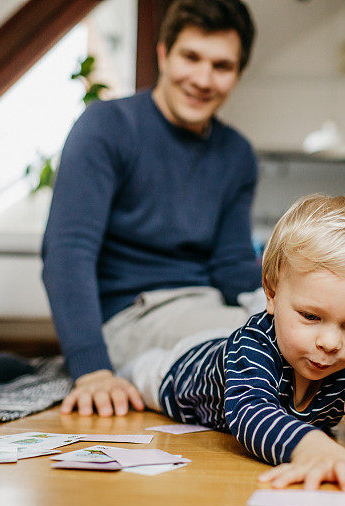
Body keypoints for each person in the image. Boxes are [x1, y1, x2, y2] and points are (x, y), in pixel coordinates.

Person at [116, 194, 345, 490]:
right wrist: (309, 446)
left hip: (227, 347)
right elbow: (251, 412)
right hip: (181, 370)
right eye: (310, 316)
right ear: (271, 295)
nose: (331, 342)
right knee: (138, 374)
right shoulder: (253, 348)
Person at [43, 0, 261, 416]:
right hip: (132, 313)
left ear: (238, 73)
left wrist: (289, 300)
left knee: (313, 335)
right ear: (163, 53)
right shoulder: (106, 126)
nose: (202, 78)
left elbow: (232, 263)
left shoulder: (237, 154)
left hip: (208, 303)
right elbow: (67, 252)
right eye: (190, 57)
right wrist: (92, 370)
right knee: (261, 352)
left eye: (221, 66)